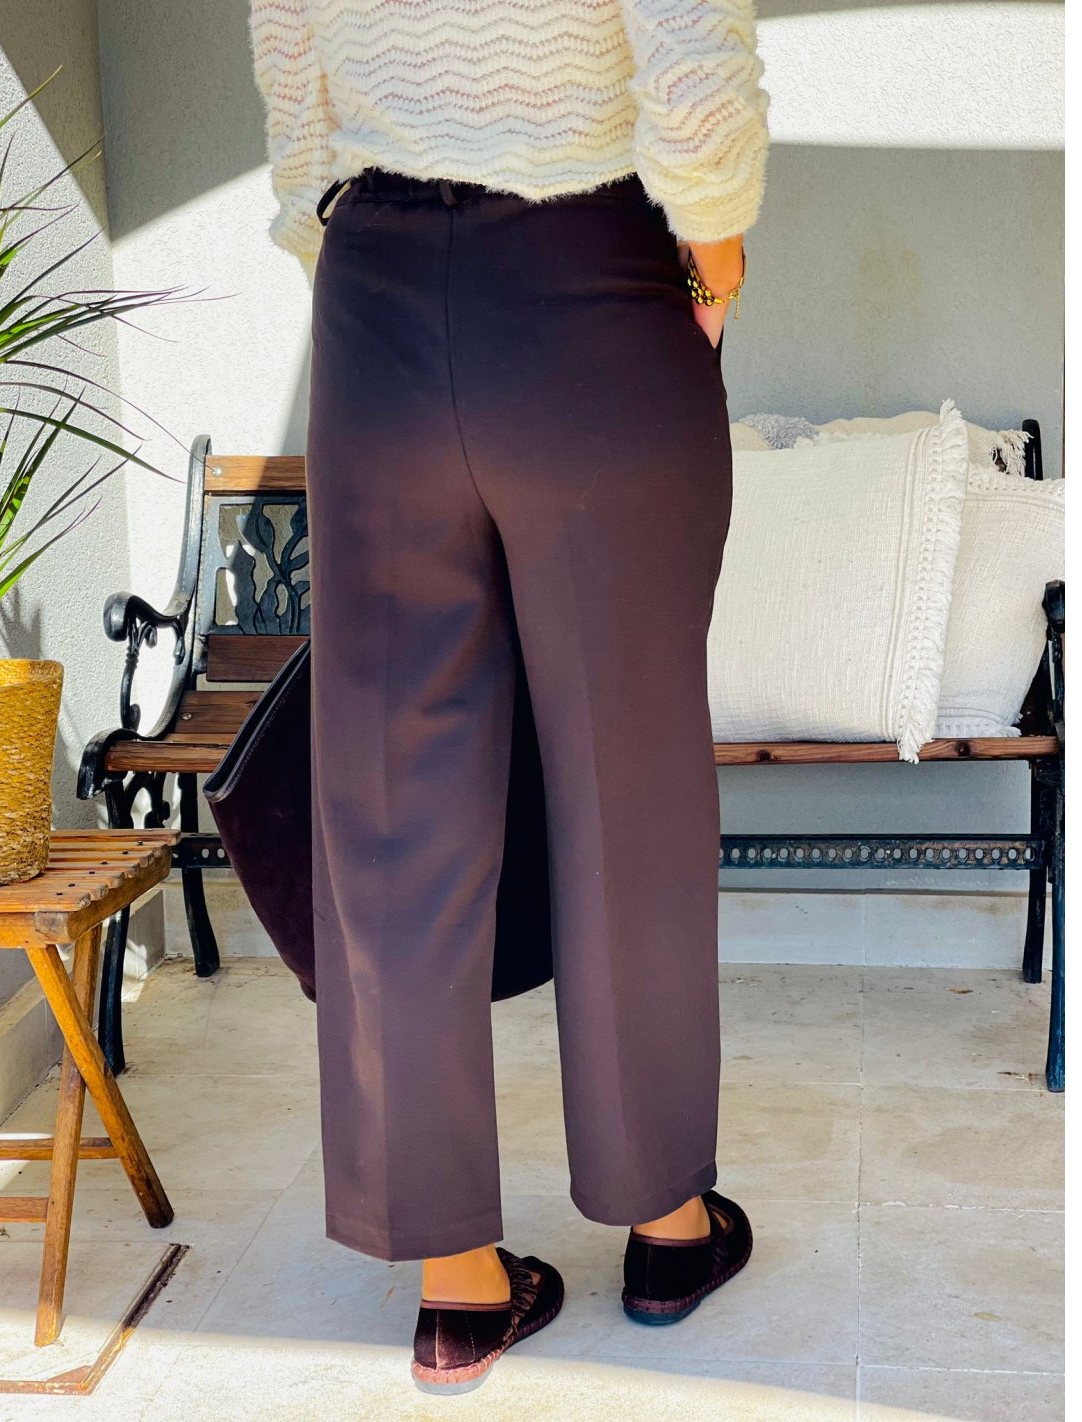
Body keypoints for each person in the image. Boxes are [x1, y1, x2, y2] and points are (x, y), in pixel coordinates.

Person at [249, 0, 771, 1394]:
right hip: (586, 280)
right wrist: (714, 260)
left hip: (373, 288)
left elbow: (290, 62)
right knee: (624, 777)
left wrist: (350, 255)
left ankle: (455, 1285)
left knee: (393, 798)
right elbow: (692, 61)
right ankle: (667, 1227)